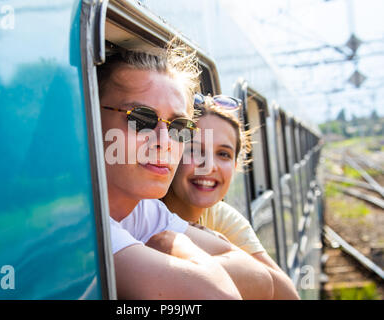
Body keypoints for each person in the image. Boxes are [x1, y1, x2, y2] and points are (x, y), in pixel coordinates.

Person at [97, 41, 275, 299]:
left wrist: (173, 246)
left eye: (179, 126)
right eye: (141, 119)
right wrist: (173, 244)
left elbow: (261, 281)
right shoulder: (84, 225)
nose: (165, 140)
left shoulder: (142, 209)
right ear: (89, 117)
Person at [162, 94, 300, 299]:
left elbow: (287, 294)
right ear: (173, 153)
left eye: (223, 154)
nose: (209, 166)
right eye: (194, 150)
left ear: (235, 166)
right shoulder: (143, 213)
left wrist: (223, 245)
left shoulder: (221, 216)